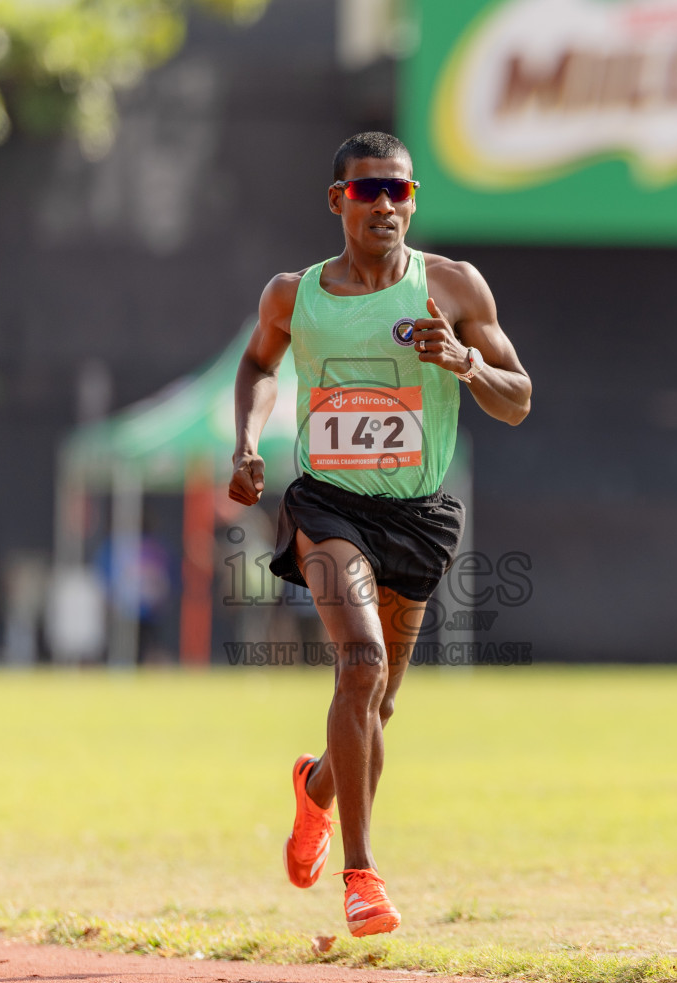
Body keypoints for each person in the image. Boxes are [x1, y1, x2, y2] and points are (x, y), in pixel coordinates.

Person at [228, 131, 532, 936]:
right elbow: (260, 365)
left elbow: (518, 397)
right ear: (339, 202)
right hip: (328, 506)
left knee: (379, 704)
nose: (387, 205)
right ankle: (362, 876)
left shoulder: (454, 288)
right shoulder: (296, 296)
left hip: (419, 517)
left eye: (400, 191)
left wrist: (463, 363)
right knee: (358, 664)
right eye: (370, 192)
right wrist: (248, 444)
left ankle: (315, 787)